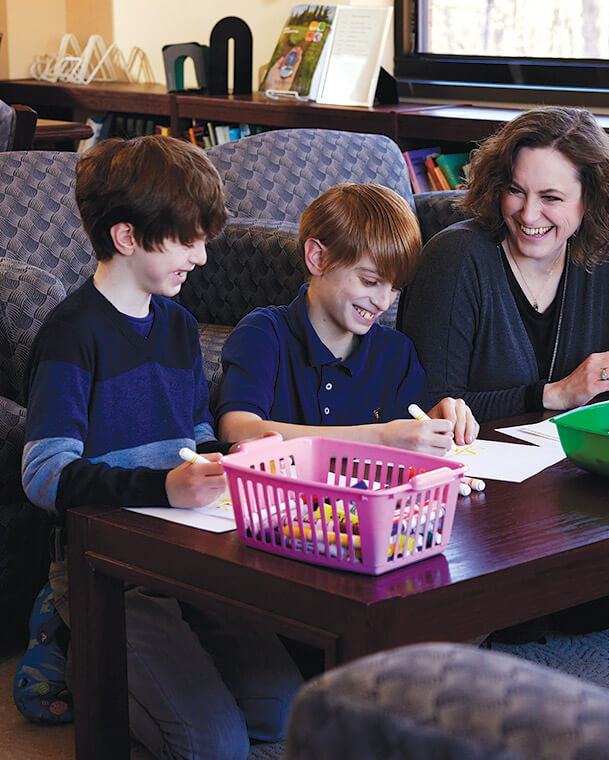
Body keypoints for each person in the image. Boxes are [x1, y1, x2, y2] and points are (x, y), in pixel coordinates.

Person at [20, 135, 303, 759]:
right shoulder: (71, 335)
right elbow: (44, 476)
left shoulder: (178, 326)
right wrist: (163, 488)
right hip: (105, 572)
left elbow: (193, 433)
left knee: (288, 715)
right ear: (126, 237)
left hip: (188, 557)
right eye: (187, 241)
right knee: (216, 746)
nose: (201, 257)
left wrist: (223, 459)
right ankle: (74, 642)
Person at [397, 106, 609, 422]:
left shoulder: (607, 260)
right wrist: (554, 394)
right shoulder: (454, 258)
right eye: (516, 190)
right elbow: (427, 406)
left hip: (581, 451)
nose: (528, 214)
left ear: (590, 199)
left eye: (550, 198)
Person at [216, 183, 477, 452]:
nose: (384, 302)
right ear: (317, 258)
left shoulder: (397, 352)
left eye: (396, 288)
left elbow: (408, 439)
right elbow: (237, 430)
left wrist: (436, 423)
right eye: (369, 281)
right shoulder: (263, 333)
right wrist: (379, 437)